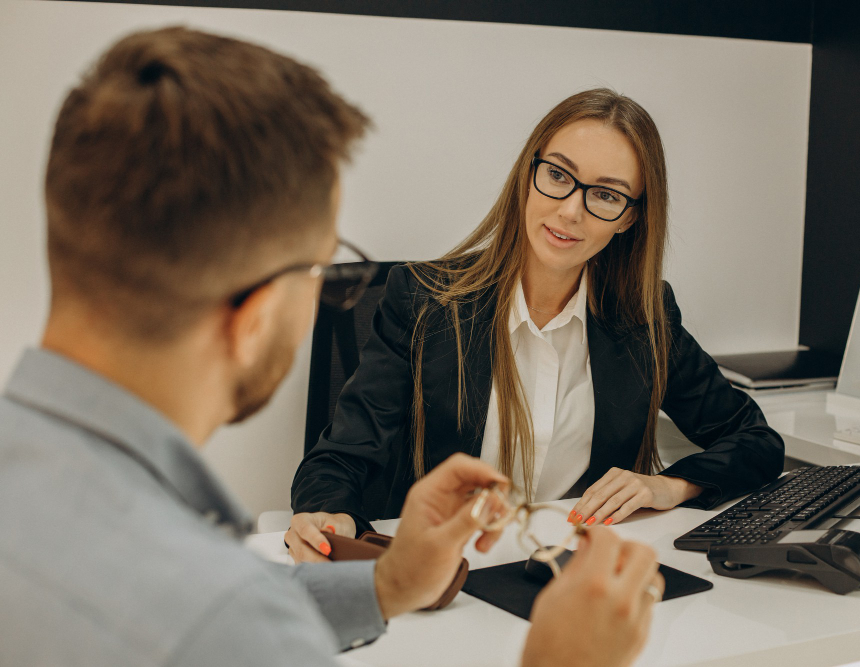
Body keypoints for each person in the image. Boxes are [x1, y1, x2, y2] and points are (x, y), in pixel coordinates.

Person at [0, 27, 663, 667]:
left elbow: (213, 609)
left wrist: (382, 586)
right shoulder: (210, 610)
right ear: (256, 314)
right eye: (322, 266)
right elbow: (219, 618)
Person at [287, 88, 785, 560]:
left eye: (606, 196)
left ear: (629, 218)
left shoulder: (645, 316)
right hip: (445, 572)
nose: (570, 211)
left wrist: (668, 485)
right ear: (529, 174)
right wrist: (333, 518)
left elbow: (754, 440)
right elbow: (338, 460)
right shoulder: (423, 301)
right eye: (558, 176)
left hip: (575, 571)